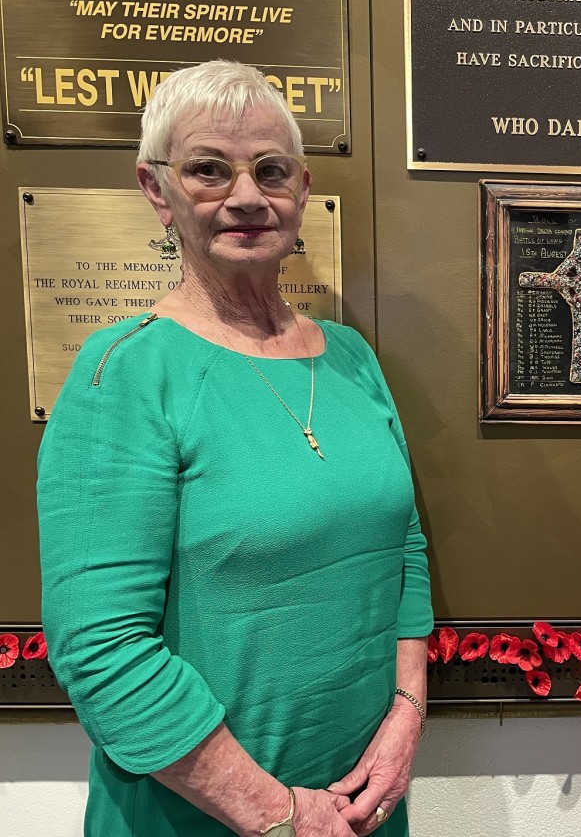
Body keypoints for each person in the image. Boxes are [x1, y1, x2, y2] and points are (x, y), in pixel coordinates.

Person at [38, 60, 433, 837]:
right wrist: (278, 812)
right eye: (209, 169)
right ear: (157, 190)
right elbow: (102, 649)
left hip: (360, 802)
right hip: (203, 815)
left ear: (303, 188)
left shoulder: (352, 357)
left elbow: (405, 550)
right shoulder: (123, 375)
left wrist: (406, 716)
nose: (247, 196)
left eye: (271, 170)